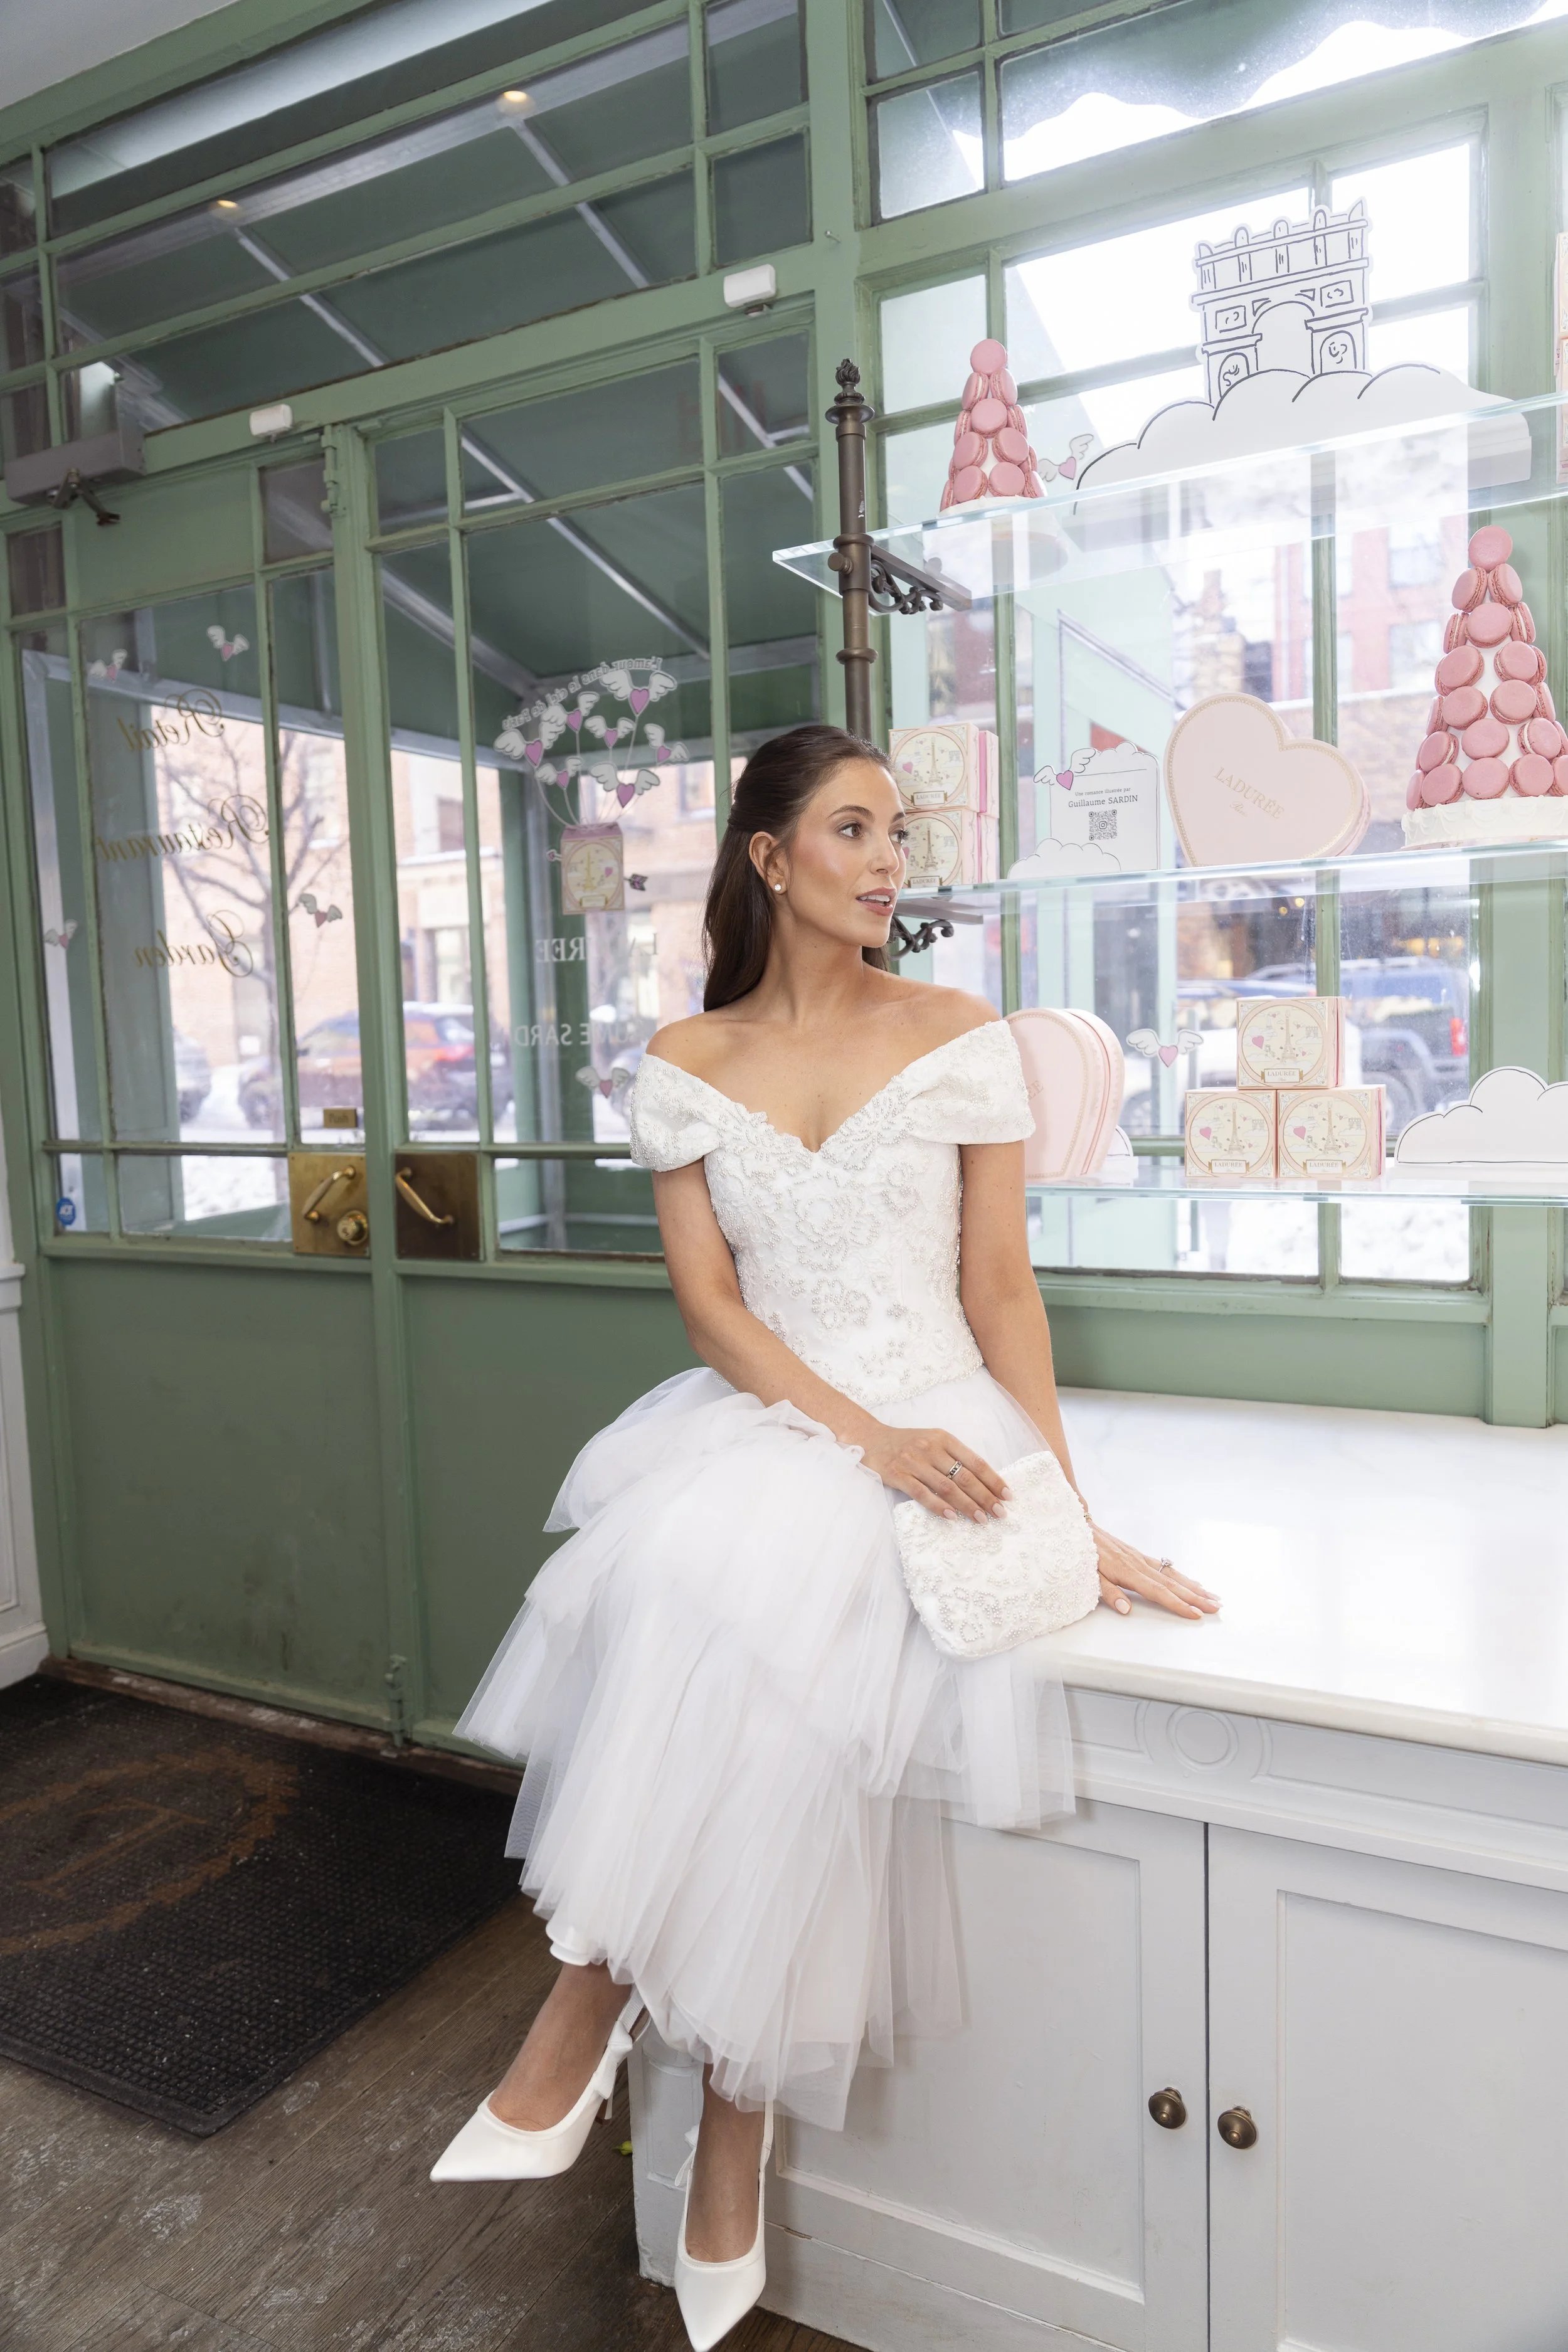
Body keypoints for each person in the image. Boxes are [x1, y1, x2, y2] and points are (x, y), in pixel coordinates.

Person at [432, 723, 1218, 2348]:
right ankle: (715, 2109)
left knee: (766, 1651)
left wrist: (1064, 1511)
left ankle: (607, 2039)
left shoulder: (956, 1031)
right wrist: (859, 1442)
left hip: (950, 1422)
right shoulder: (683, 1060)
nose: (886, 860)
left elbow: (999, 1289)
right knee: (688, 1583)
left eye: (897, 833)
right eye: (852, 828)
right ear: (769, 856)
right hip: (799, 1422)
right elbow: (715, 1315)